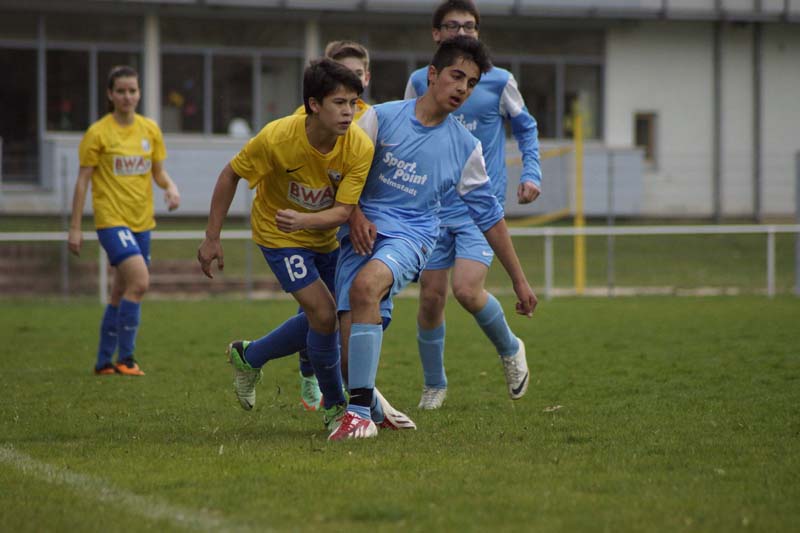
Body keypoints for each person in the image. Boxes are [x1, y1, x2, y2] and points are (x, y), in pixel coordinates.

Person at [328, 36, 537, 441]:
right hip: (361, 233)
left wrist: (519, 279)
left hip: (413, 234)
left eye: (472, 83)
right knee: (346, 358)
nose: (463, 88)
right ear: (433, 75)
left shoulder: (464, 146)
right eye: (457, 76)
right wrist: (354, 213)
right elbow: (341, 172)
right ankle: (372, 406)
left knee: (366, 286)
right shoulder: (380, 119)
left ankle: (358, 417)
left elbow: (491, 218)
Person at [196, 58, 374, 431]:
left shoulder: (358, 145)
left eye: (354, 103)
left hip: (323, 236)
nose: (349, 113)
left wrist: (307, 220)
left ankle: (250, 355)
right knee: (324, 316)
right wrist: (212, 237)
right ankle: (336, 408)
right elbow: (230, 174)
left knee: (328, 316)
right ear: (314, 104)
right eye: (339, 103)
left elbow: (343, 210)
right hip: (278, 236)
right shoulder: (277, 139)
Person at [404, 0, 542, 410]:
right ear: (436, 34)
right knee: (431, 297)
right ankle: (434, 384)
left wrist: (531, 172)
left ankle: (510, 346)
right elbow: (408, 133)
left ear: (479, 33)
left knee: (466, 289)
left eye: (470, 26)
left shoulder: (498, 81)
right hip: (430, 208)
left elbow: (527, 127)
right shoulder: (418, 81)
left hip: (477, 210)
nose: (462, 32)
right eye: (453, 25)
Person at [68, 65, 181, 377]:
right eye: (121, 91)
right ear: (110, 94)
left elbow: (158, 172)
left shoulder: (149, 130)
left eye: (132, 90)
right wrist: (75, 227)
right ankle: (126, 359)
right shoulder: (98, 133)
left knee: (120, 292)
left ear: (139, 93)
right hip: (111, 221)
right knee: (140, 282)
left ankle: (104, 362)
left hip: (142, 223)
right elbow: (82, 182)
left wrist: (170, 188)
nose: (127, 96)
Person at [292, 40, 374, 412]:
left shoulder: (372, 119)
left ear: (366, 78)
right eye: (343, 75)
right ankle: (315, 376)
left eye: (356, 76)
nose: (350, 83)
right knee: (320, 312)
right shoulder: (304, 120)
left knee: (341, 309)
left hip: (350, 227)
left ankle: (349, 385)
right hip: (314, 227)